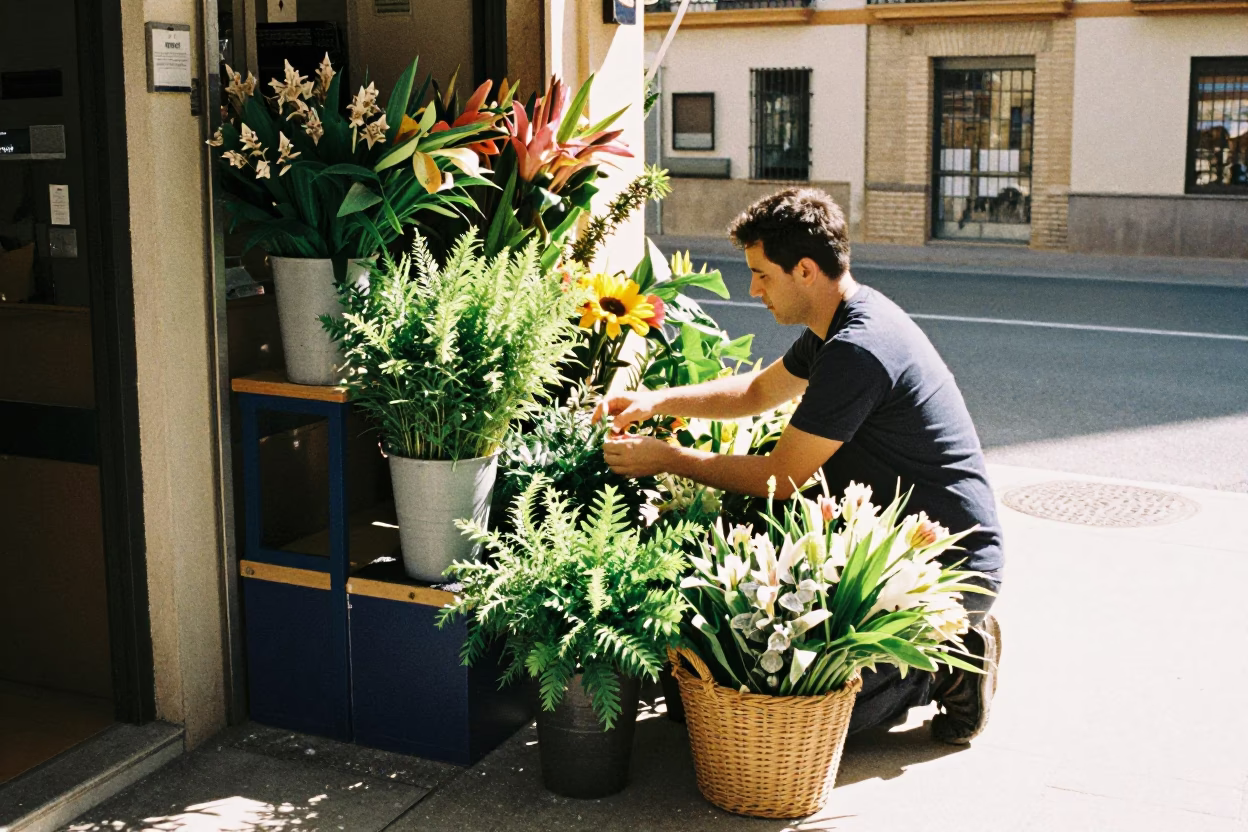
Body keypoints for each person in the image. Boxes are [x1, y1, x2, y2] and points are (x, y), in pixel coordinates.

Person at [598, 187, 1003, 743]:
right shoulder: (838, 324)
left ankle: (952, 663)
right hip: (889, 554)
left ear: (806, 270)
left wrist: (665, 458)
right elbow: (757, 392)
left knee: (799, 722)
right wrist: (657, 400)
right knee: (741, 696)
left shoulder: (858, 348)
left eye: (763, 274)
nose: (753, 289)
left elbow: (779, 479)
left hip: (951, 568)